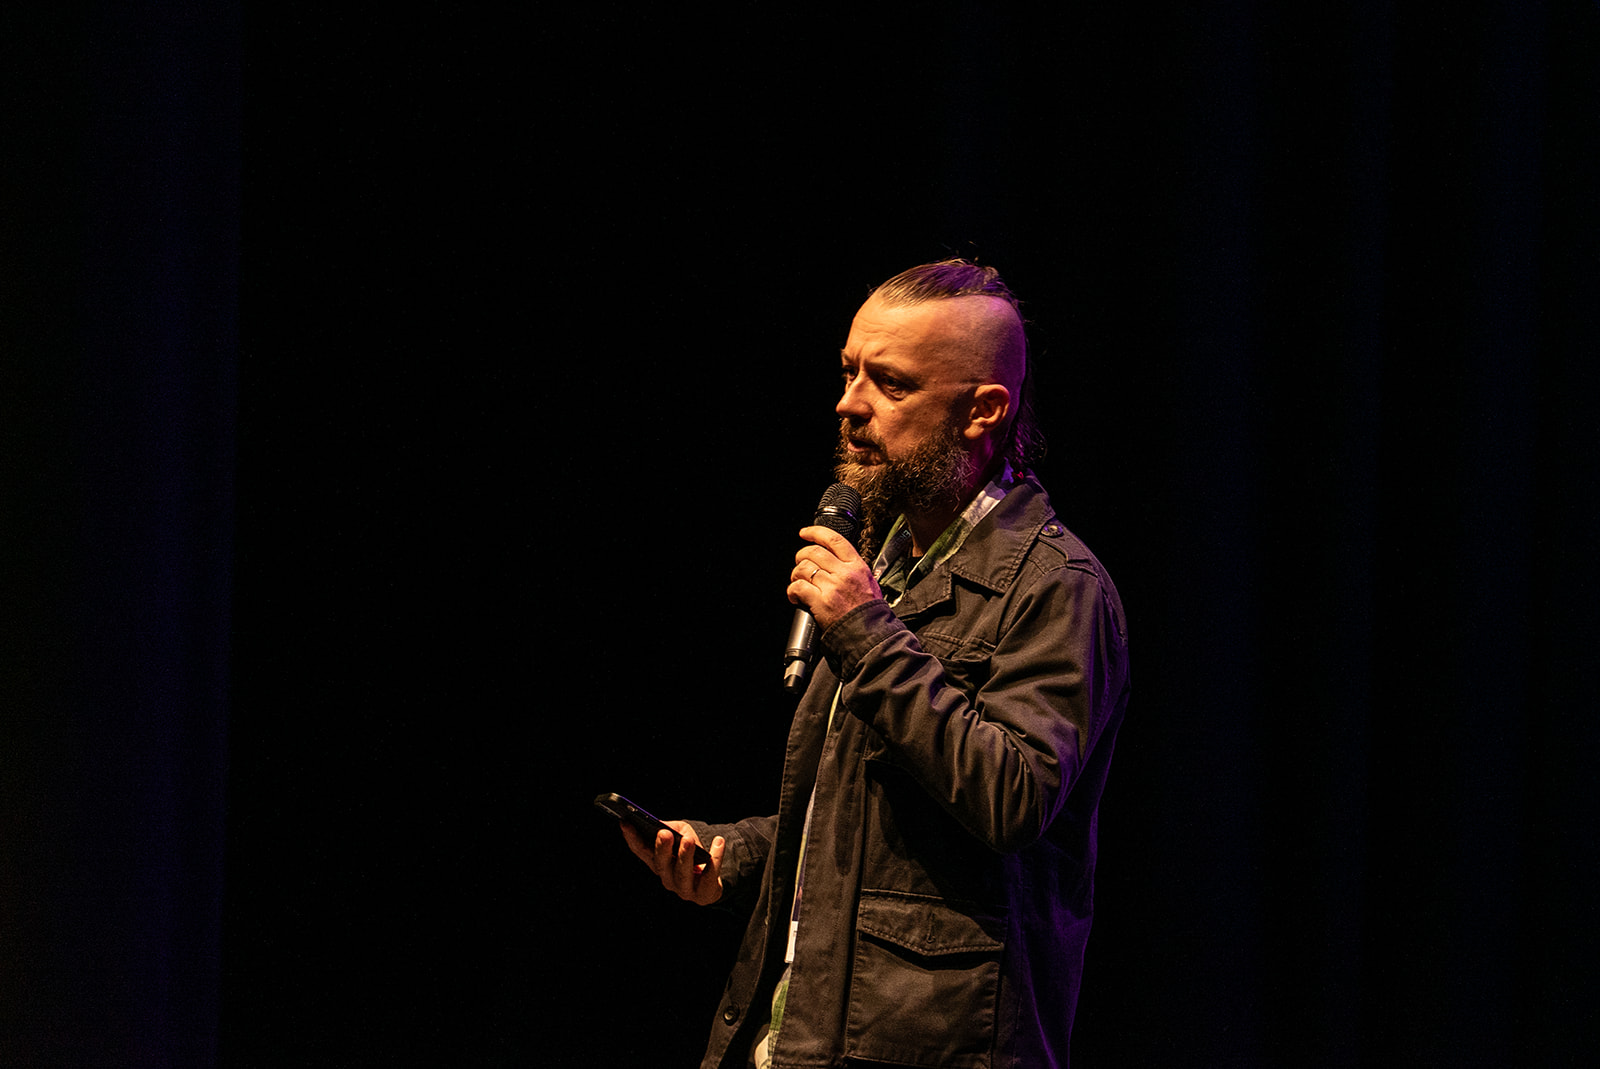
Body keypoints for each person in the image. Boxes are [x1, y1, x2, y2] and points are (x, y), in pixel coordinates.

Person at [619, 260, 1130, 1068]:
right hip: (794, 1035)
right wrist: (734, 854)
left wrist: (866, 629)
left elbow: (1013, 799)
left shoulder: (1057, 587)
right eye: (849, 371)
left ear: (983, 410)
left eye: (888, 382)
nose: (849, 405)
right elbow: (864, 818)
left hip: (927, 1044)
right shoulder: (888, 558)